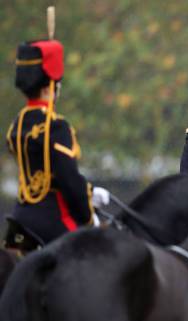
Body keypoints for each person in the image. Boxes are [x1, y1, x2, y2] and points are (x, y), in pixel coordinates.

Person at [3, 39, 108, 254]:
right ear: (51, 86)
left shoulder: (16, 125)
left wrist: (88, 191)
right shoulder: (56, 126)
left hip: (21, 216)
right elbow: (68, 181)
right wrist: (88, 215)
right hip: (53, 220)